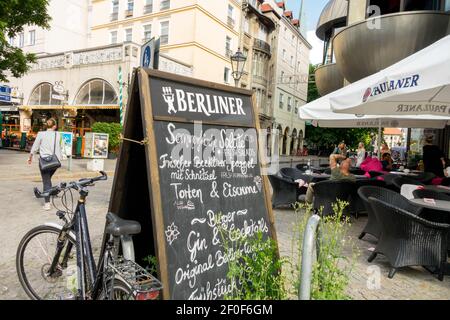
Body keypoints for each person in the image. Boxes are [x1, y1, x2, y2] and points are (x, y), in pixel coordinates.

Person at [28, 118, 62, 210]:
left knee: (46, 181)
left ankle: (47, 203)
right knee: (47, 180)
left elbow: (35, 147)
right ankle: (51, 192)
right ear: (54, 126)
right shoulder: (58, 134)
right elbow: (60, 146)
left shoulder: (41, 134)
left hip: (44, 162)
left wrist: (31, 157)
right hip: (55, 161)